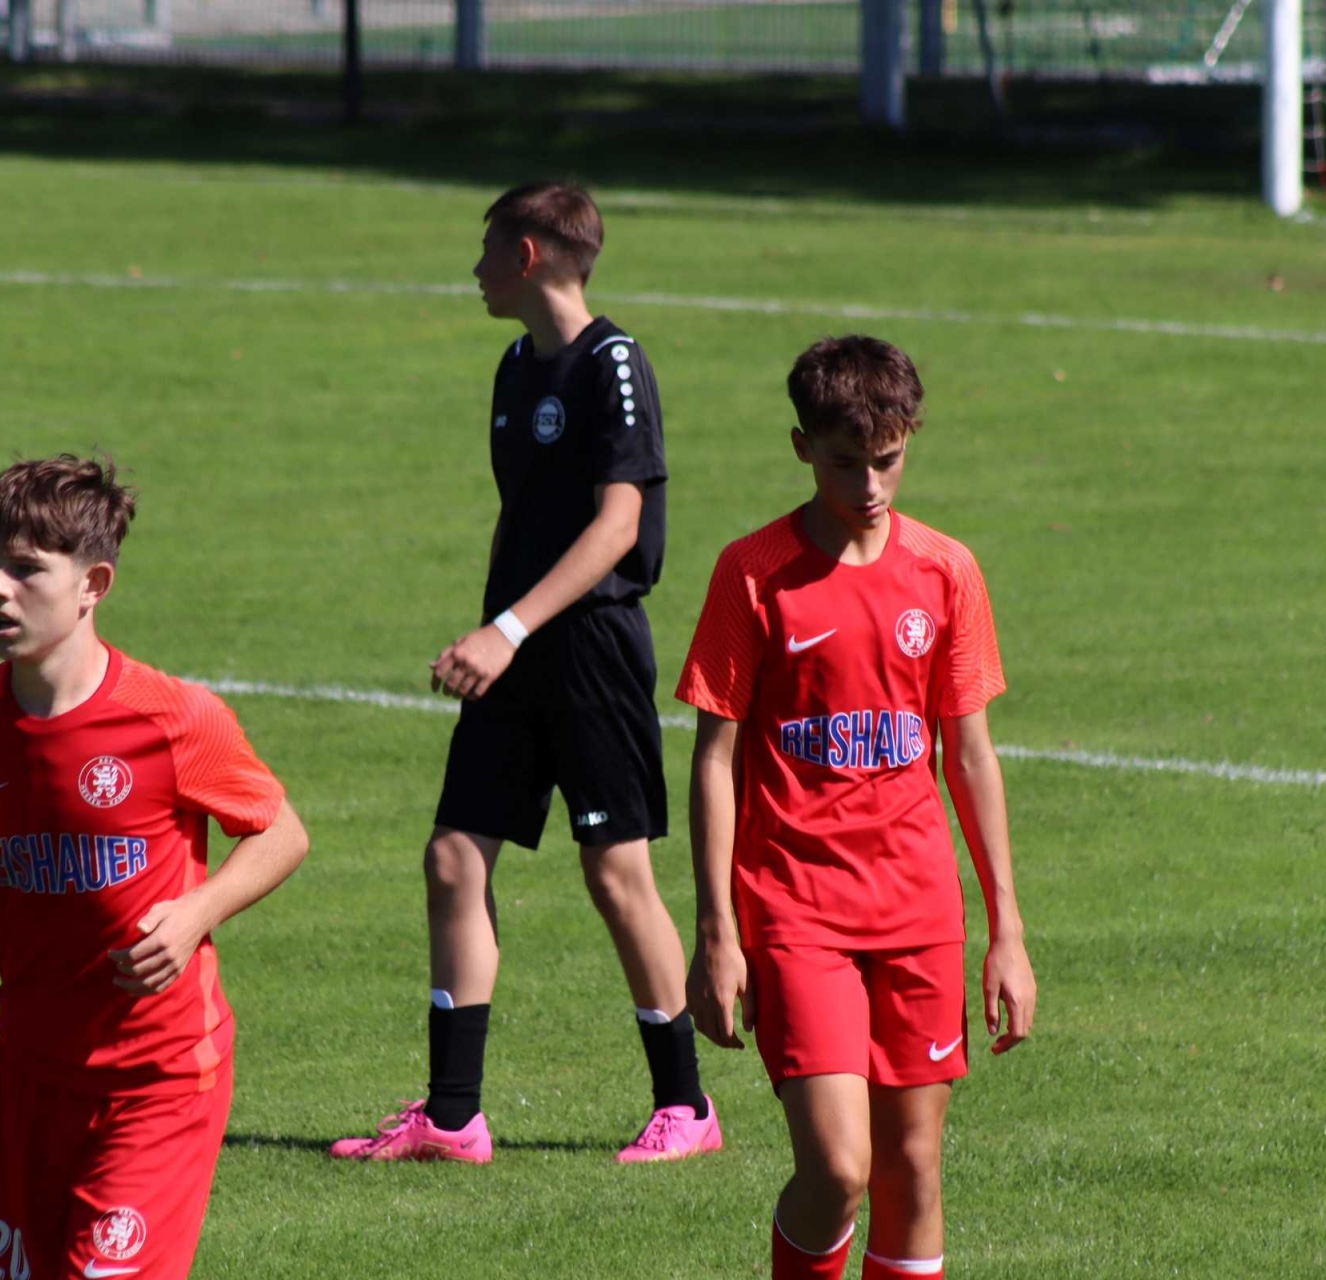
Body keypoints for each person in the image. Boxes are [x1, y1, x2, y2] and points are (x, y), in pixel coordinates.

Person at [331, 181, 718, 1165]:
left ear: (530, 254)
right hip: (514, 646)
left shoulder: (614, 362)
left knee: (615, 872)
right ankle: (453, 1116)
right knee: (453, 857)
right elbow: (520, 514)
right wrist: (490, 630)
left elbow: (619, 525)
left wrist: (507, 628)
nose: (475, 269)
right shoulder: (513, 367)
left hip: (591, 648)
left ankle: (686, 1106)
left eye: (487, 249)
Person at [0, 455, 308, 1280]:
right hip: (30, 1075)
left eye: (26, 569)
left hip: (160, 1076)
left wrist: (198, 911)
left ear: (92, 584)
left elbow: (281, 831)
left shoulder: (171, 718)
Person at [676, 337, 1037, 1279]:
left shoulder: (946, 571)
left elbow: (970, 755)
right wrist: (716, 932)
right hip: (797, 910)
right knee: (839, 1168)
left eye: (888, 459)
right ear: (802, 447)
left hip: (918, 909)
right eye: (846, 463)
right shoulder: (753, 573)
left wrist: (1007, 930)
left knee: (912, 1168)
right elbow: (714, 757)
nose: (870, 485)